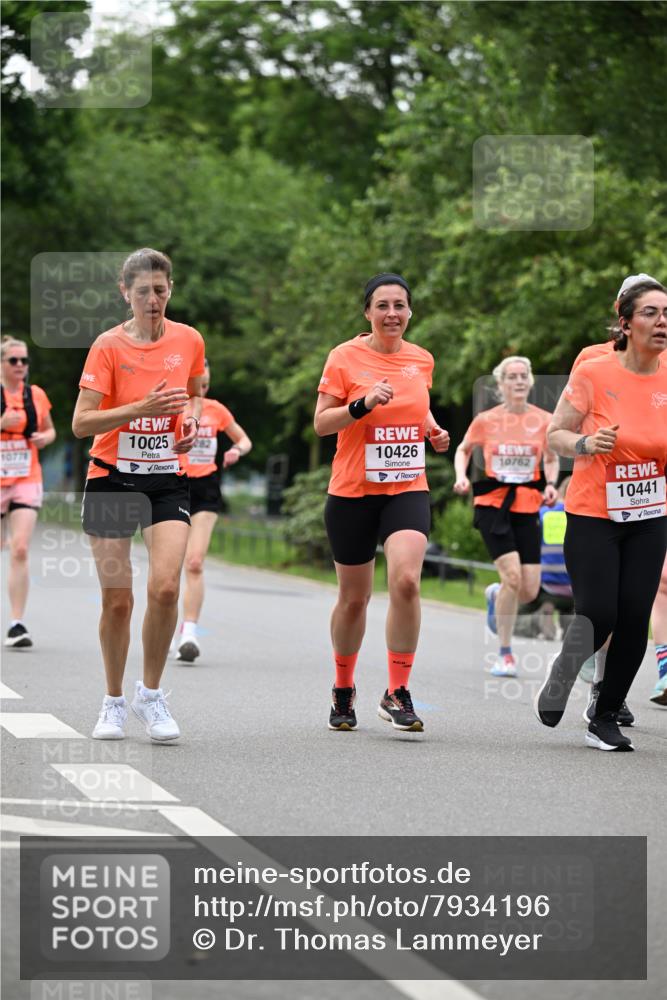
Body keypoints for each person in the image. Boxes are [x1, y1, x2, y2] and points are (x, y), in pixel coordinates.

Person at [72, 248, 204, 742]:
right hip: (111, 476)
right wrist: (138, 408)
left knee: (167, 587)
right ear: (125, 293)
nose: (154, 299)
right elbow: (82, 423)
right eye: (144, 291)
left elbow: (191, 395)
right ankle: (113, 701)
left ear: (171, 290)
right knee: (119, 601)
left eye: (161, 290)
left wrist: (188, 422)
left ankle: (151, 694)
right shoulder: (107, 346)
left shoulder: (189, 339)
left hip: (168, 477)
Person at [314, 272, 449, 733]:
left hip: (406, 487)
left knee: (407, 581)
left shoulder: (421, 359)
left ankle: (396, 690)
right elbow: (321, 424)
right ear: (368, 312)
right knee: (354, 599)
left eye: (400, 306)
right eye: (383, 306)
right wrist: (362, 404)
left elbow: (417, 401)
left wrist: (431, 428)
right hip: (352, 492)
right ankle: (343, 687)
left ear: (410, 312)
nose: (393, 314)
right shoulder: (344, 357)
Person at [536, 277, 667, 751]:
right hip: (594, 511)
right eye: (651, 313)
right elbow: (555, 434)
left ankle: (605, 713)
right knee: (598, 612)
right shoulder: (594, 370)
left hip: (650, 513)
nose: (662, 322)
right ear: (626, 322)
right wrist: (587, 444)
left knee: (634, 615)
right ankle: (565, 669)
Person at [453, 356, 559, 676]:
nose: (518, 381)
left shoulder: (544, 420)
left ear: (530, 382)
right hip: (492, 504)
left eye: (523, 376)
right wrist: (461, 475)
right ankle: (504, 653)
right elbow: (463, 449)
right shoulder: (486, 420)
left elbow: (552, 458)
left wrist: (551, 484)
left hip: (527, 504)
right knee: (513, 576)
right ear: (500, 384)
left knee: (528, 590)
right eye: (511, 377)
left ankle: (496, 594)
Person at [174, 358, 252, 662]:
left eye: (205, 385)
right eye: (196, 385)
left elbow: (245, 440)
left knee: (194, 562)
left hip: (206, 489)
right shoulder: (172, 408)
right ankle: (169, 625)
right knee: (169, 568)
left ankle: (189, 632)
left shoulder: (216, 410)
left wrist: (235, 450)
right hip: (173, 487)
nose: (201, 391)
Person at [1, 335, 56, 647]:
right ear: (2, 365)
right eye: (14, 360)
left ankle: (17, 623)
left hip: (26, 477)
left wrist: (44, 439)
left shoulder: (35, 395)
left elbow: (50, 429)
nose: (21, 365)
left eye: (24, 361)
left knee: (20, 548)